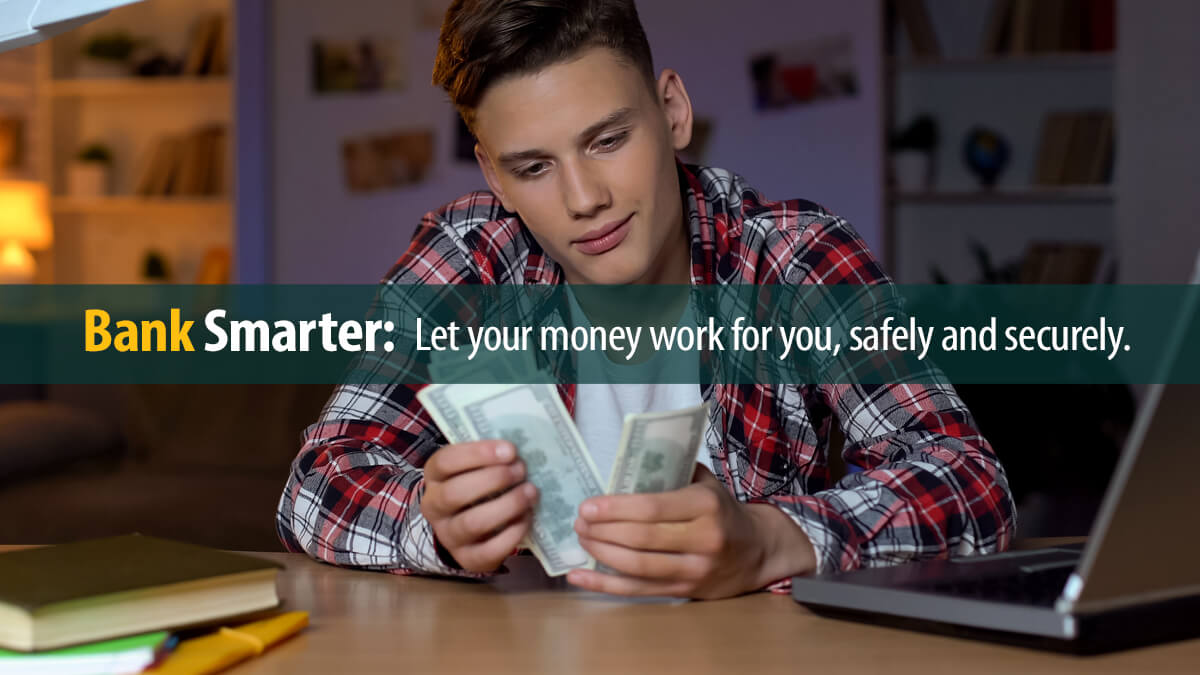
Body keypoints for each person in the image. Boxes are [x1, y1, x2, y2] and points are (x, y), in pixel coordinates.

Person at [276, 0, 1015, 600]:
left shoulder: (792, 257)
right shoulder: (468, 258)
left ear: (672, 111)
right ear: (494, 179)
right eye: (533, 167)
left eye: (607, 140)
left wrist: (769, 540)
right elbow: (318, 480)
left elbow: (970, 482)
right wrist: (430, 523)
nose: (584, 199)